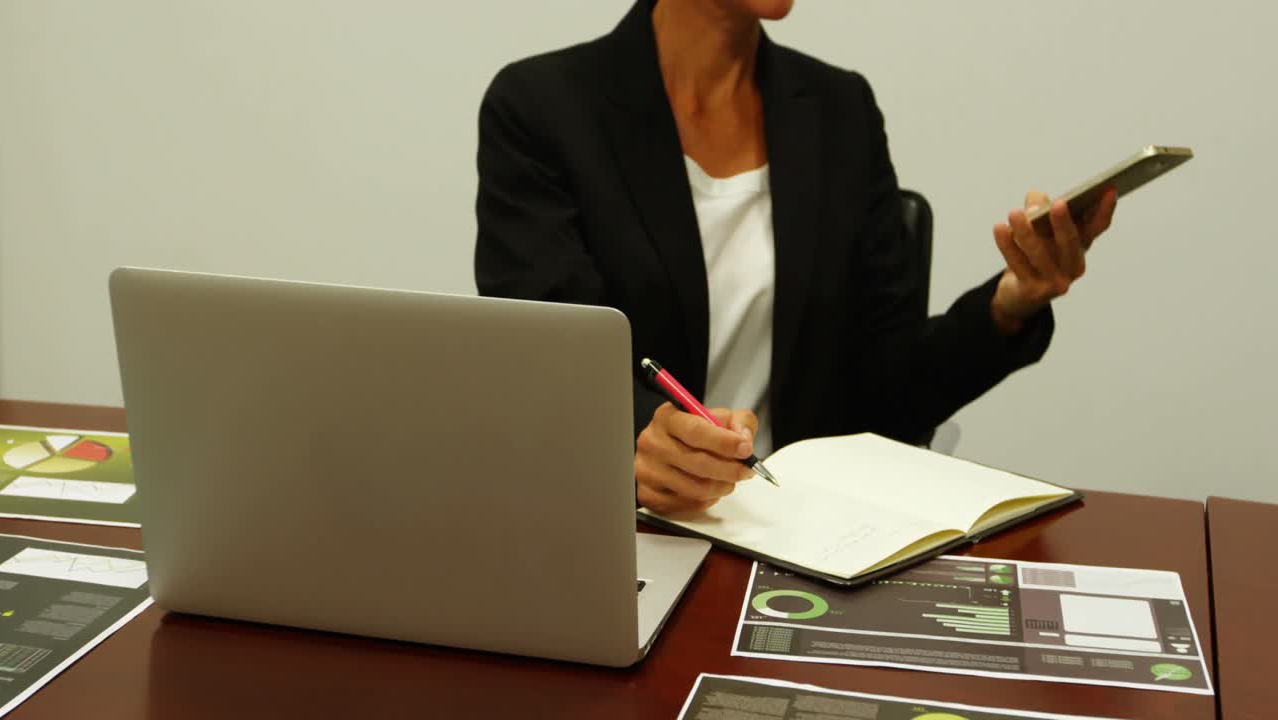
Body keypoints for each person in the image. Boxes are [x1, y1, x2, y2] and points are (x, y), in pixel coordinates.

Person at [474, 0, 1116, 514]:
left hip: (801, 531)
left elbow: (888, 391)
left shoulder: (841, 110)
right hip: (626, 534)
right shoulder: (542, 108)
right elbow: (551, 368)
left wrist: (1008, 307)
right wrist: (639, 442)